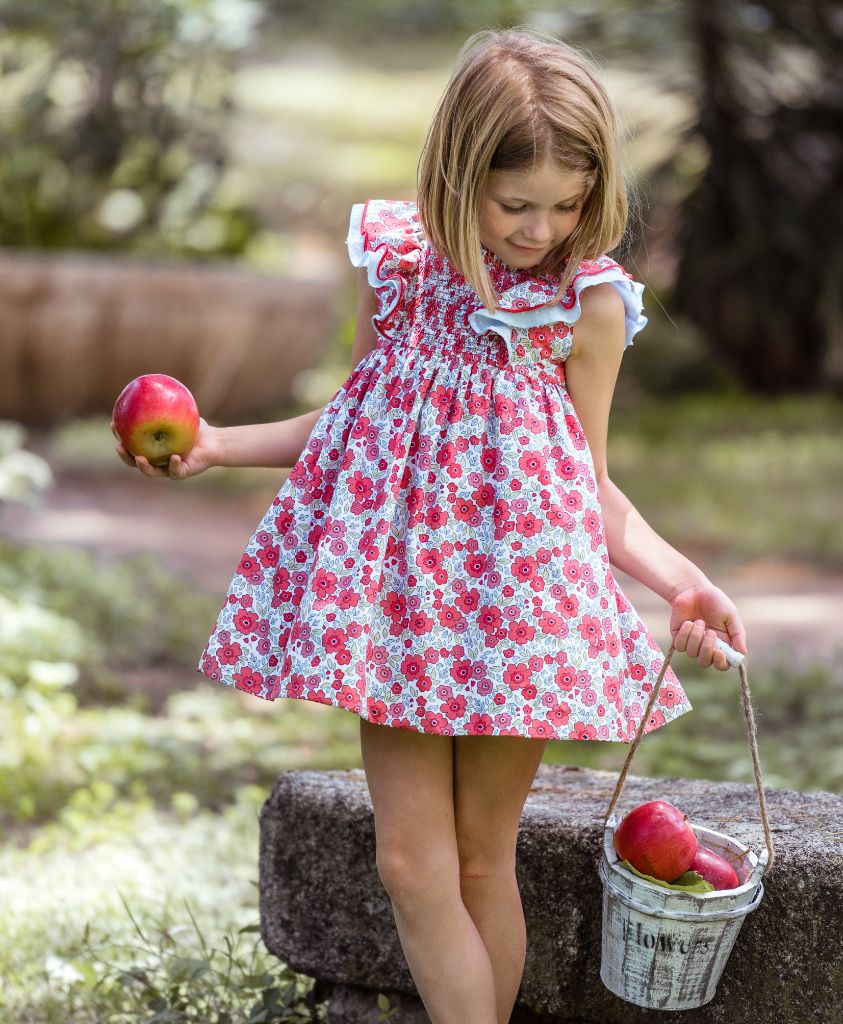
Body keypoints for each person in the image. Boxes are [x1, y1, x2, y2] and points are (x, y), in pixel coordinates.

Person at [111, 24, 748, 1024]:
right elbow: (356, 414)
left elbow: (592, 485)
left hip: (519, 613)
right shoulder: (402, 266)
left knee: (484, 857)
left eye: (566, 204)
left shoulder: (584, 305)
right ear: (457, 173)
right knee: (411, 862)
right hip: (401, 608)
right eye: (514, 204)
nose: (538, 229)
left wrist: (677, 579)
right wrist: (218, 445)